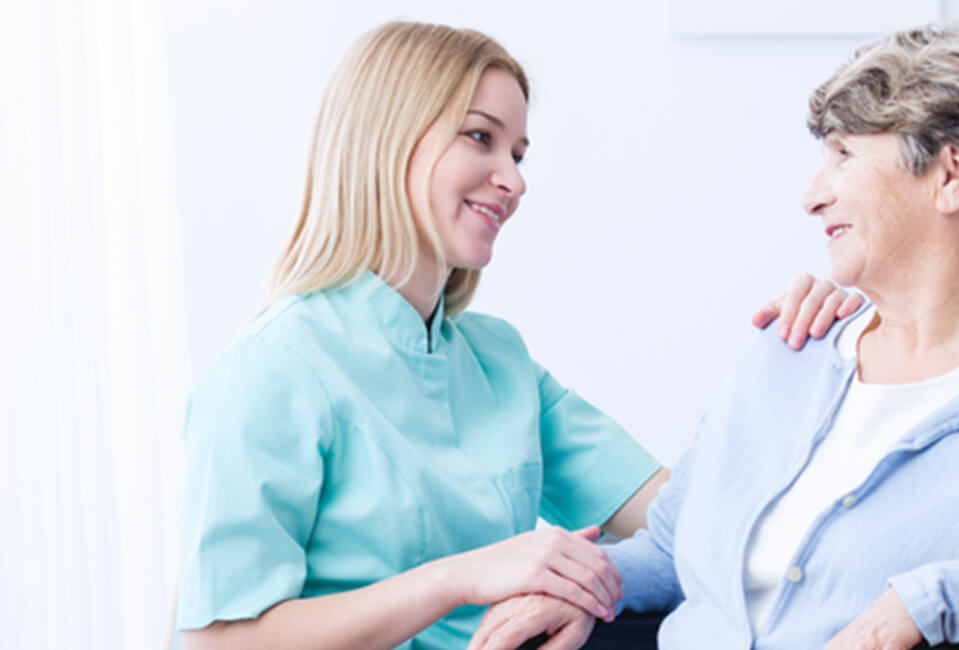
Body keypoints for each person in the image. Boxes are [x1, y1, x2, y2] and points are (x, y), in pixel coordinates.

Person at [470, 23, 959, 650]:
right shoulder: (788, 352)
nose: (812, 193)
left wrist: (938, 599)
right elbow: (675, 544)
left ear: (952, 174)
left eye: (844, 154)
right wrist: (590, 585)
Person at [173, 21, 858, 650]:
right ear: (389, 138)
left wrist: (798, 356)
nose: (513, 179)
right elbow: (219, 642)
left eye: (519, 151)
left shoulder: (499, 362)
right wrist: (459, 578)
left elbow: (695, 518)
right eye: (481, 137)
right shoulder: (273, 371)